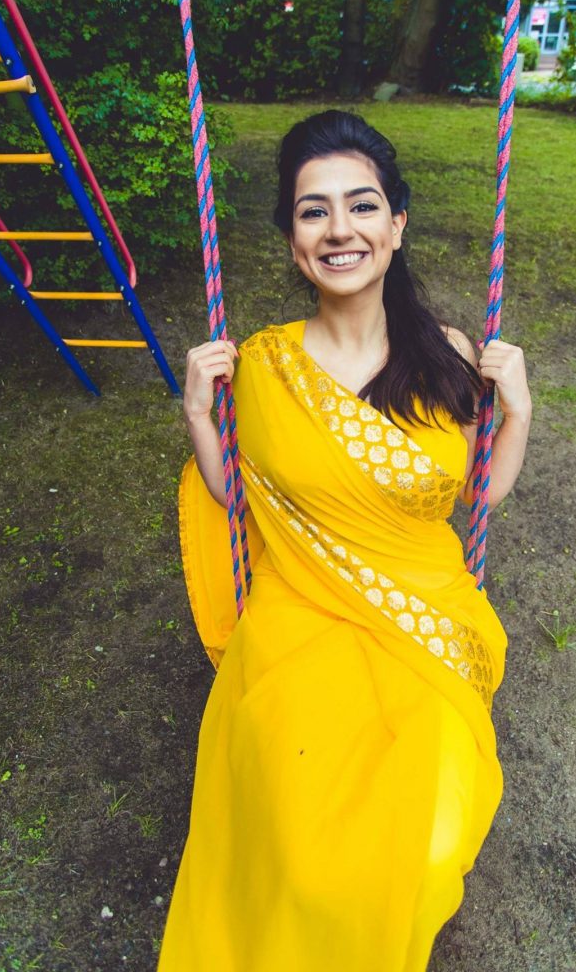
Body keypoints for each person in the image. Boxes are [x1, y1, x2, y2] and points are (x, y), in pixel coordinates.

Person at [158, 110, 531, 972]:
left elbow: (477, 495)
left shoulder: (448, 354)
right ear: (293, 241)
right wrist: (198, 415)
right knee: (303, 854)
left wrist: (516, 412)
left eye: (361, 206)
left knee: (430, 844)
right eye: (312, 210)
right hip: (300, 622)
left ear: (396, 224)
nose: (339, 229)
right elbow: (238, 499)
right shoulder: (263, 366)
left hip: (425, 625)